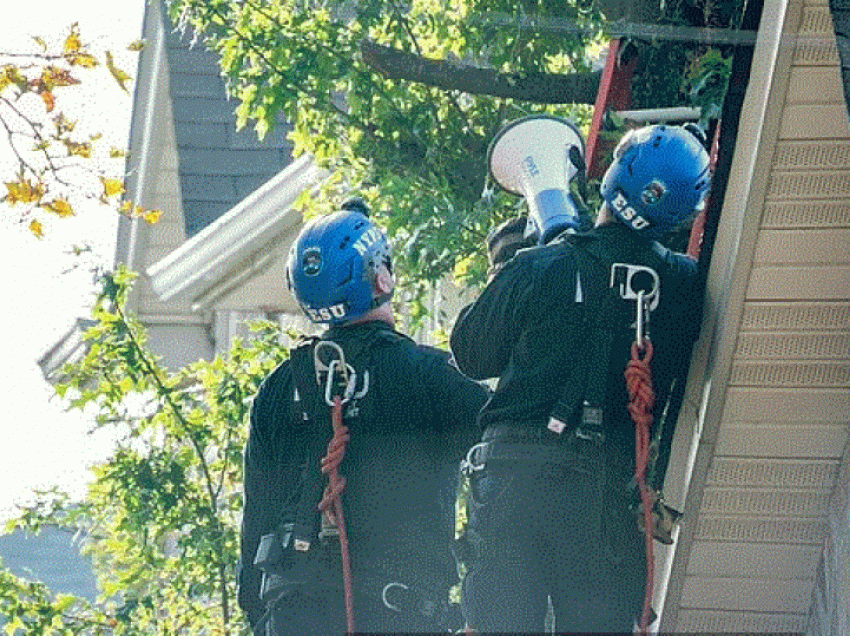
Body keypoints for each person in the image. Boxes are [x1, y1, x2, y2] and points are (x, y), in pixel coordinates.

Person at [450, 124, 711, 633]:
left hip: (513, 480)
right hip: (601, 497)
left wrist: (514, 267)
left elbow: (472, 353)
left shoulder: (545, 264)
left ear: (614, 177)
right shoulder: (682, 286)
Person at [237, 199, 489, 635]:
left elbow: (256, 520)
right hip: (399, 612)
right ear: (382, 278)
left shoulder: (278, 391)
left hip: (292, 613)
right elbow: (509, 452)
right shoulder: (429, 376)